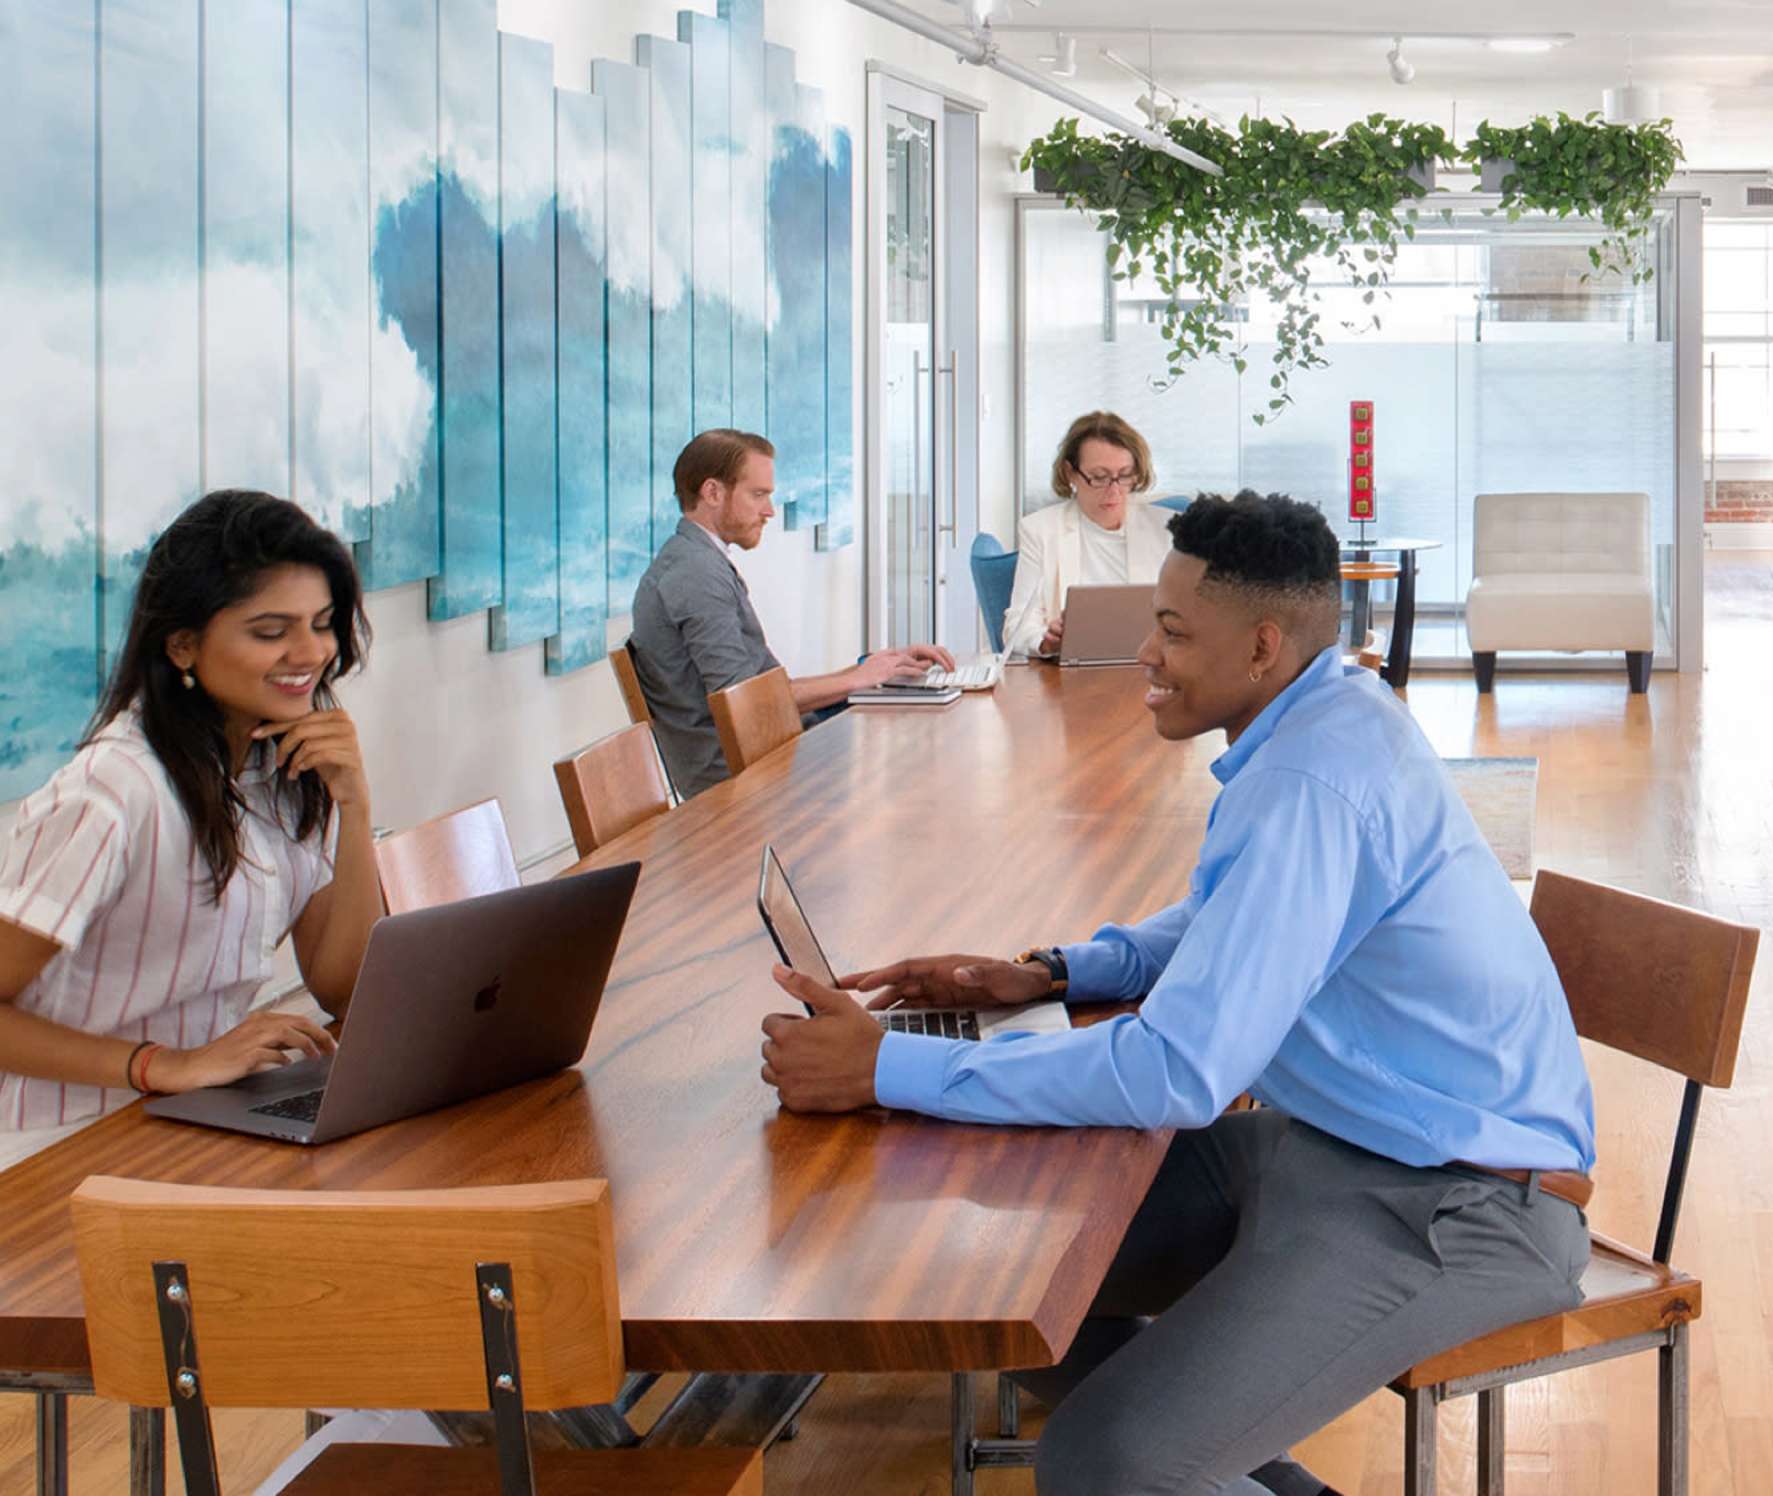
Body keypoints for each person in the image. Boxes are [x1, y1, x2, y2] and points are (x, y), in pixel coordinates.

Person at [754, 492, 1598, 1496]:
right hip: (1342, 1141)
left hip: (1460, 1200)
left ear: (1261, 645)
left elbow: (1178, 1069)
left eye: (1172, 630)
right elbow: (1226, 916)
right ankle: (1236, 1454)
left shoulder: (1314, 781)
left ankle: (1195, 1453)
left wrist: (890, 1063)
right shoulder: (1324, 716)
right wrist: (1056, 970)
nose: (1146, 655)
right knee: (1007, 1269)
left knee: (1103, 1459)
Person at [0, 490, 379, 1189]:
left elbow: (347, 985)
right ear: (183, 644)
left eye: (321, 624)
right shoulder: (108, 795)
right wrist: (162, 1064)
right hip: (54, 1155)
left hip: (197, 1124)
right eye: (269, 630)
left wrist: (356, 803)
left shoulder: (279, 767)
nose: (311, 652)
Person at [629, 429, 955, 798]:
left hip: (768, 748)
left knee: (917, 729)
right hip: (749, 773)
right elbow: (746, 702)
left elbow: (757, 691)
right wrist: (857, 680)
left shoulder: (695, 561)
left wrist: (875, 668)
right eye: (759, 495)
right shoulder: (695, 575)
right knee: (922, 754)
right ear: (713, 493)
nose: (769, 510)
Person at [1002, 410, 1179, 659]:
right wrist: (1045, 641)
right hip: (1074, 674)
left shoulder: (1166, 528)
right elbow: (1017, 626)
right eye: (1099, 477)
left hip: (1151, 667)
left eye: (1125, 475)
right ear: (1070, 473)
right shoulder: (1040, 530)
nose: (1114, 490)